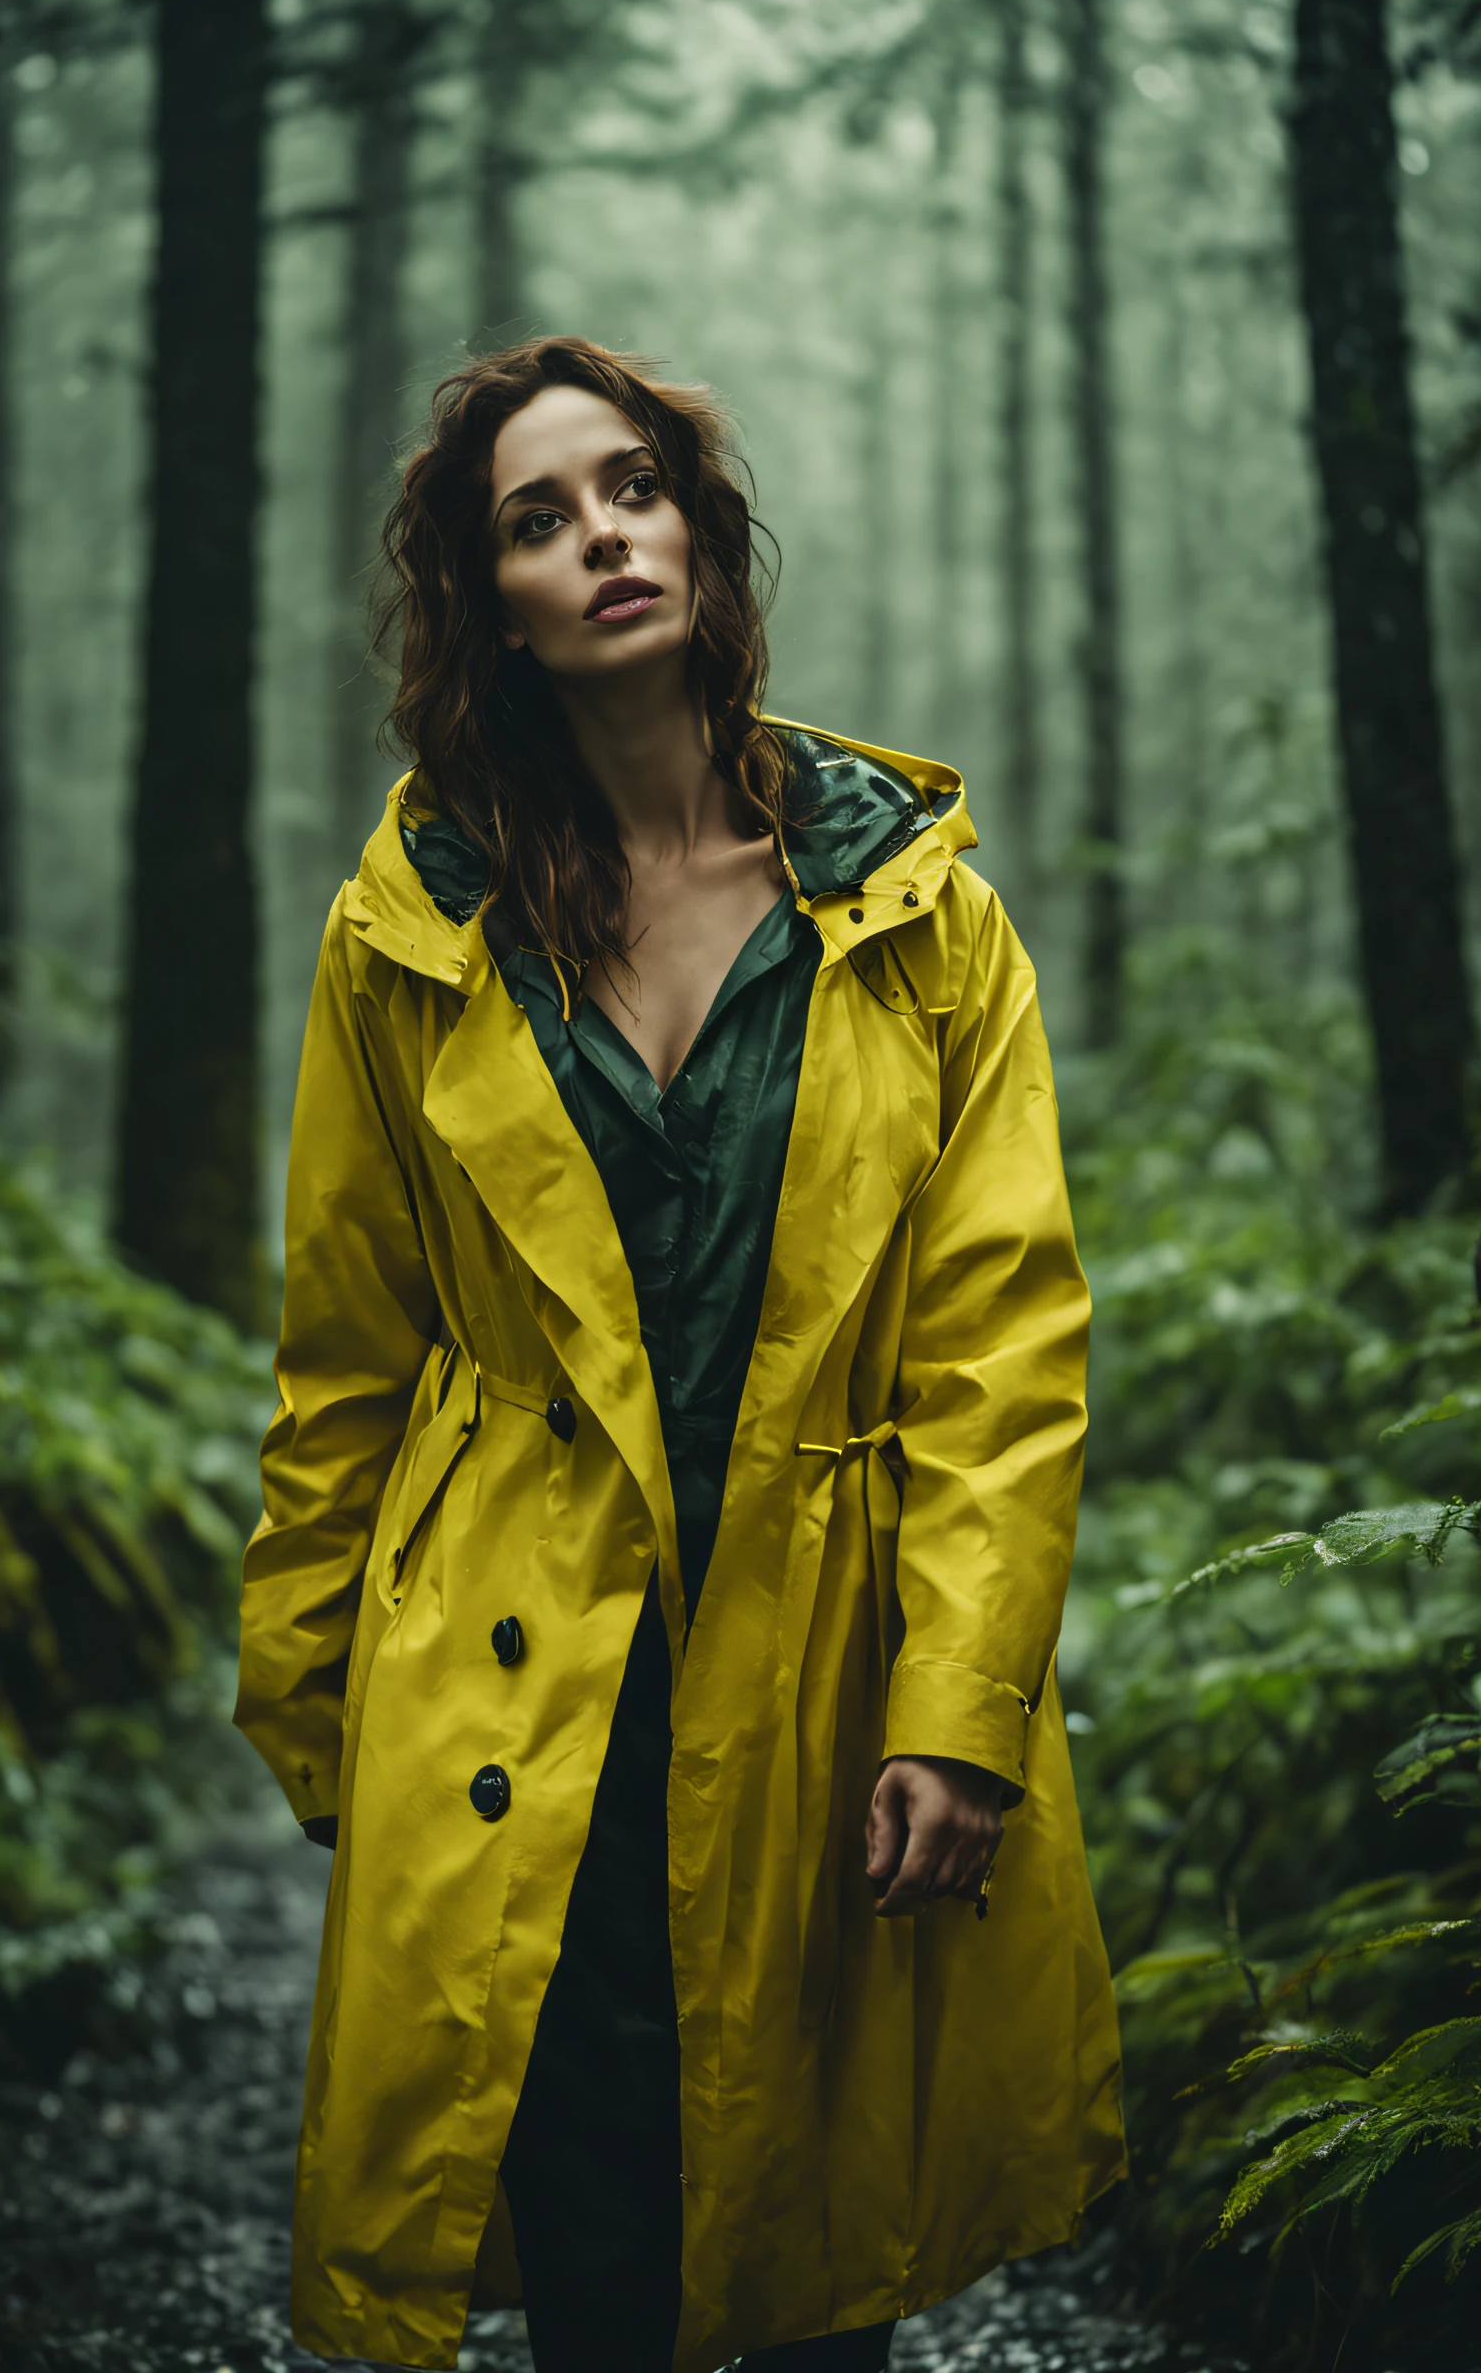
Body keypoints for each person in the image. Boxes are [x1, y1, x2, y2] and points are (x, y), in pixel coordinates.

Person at [235, 338, 1124, 2373]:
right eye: (535, 521)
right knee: (606, 2269)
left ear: (701, 539)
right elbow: (346, 1346)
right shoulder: (415, 934)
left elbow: (1001, 1340)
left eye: (628, 486)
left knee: (819, 2253)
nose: (598, 535)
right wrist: (310, 1696)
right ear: (497, 610)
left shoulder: (911, 916)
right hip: (521, 1681)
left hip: (824, 1667)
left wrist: (958, 1704)